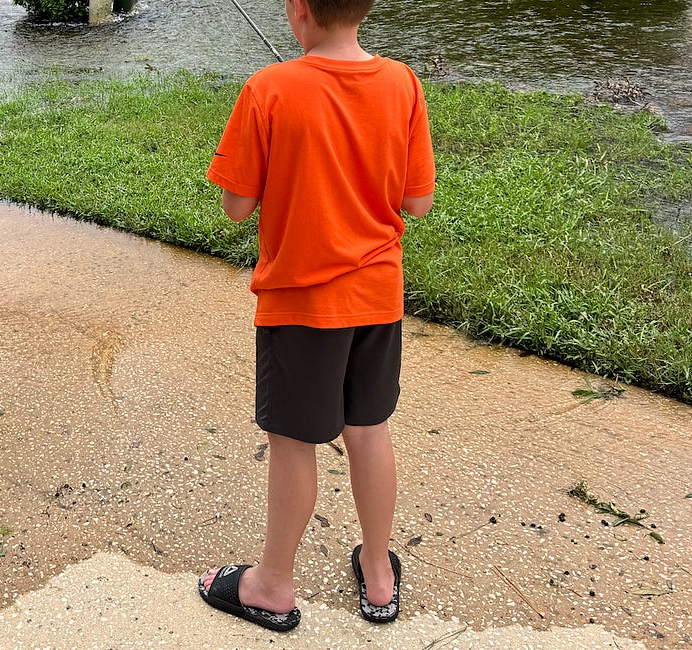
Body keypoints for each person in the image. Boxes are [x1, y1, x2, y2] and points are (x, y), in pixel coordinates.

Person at [196, 0, 436, 632]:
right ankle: (379, 576)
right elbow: (417, 202)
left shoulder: (268, 88)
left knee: (295, 442)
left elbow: (236, 205)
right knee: (369, 428)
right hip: (377, 300)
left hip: (301, 306)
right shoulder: (403, 83)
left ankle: (272, 586)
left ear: (298, 10)